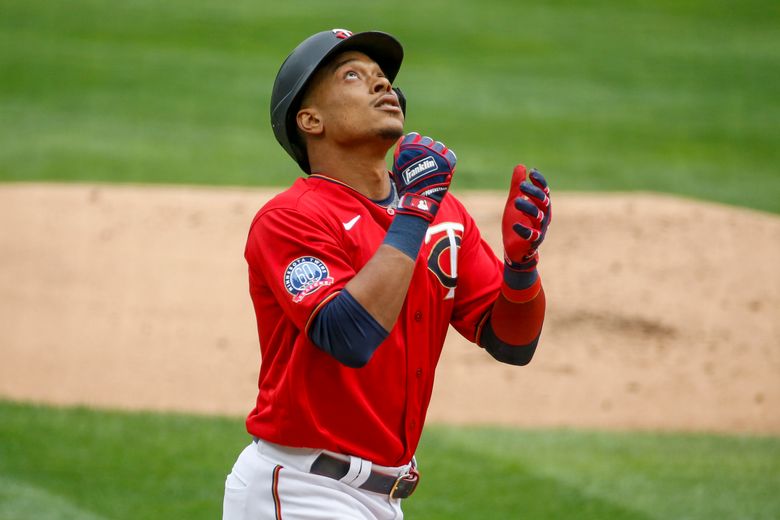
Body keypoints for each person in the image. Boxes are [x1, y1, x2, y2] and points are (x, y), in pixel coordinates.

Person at [222, 28, 552, 520]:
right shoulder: (292, 218)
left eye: (383, 78)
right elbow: (347, 336)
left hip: (383, 498)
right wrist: (417, 210)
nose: (383, 86)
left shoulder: (443, 215)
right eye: (353, 76)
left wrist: (521, 269)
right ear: (310, 120)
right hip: (300, 490)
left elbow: (511, 343)